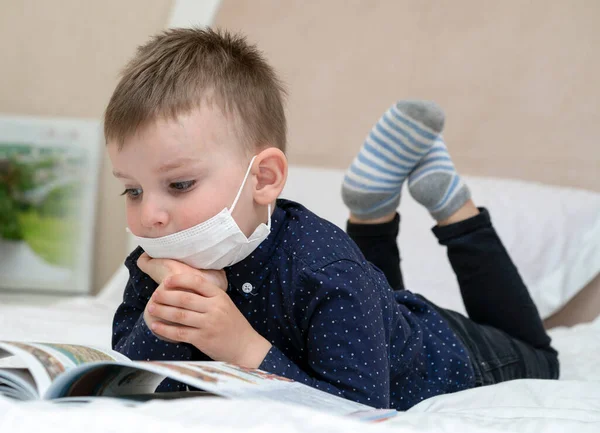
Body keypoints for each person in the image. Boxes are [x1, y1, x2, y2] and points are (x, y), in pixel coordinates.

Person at [106, 27, 558, 411]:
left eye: (180, 185)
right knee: (382, 301)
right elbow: (132, 384)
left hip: (456, 354)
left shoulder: (326, 270)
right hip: (382, 317)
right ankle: (373, 210)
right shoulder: (158, 264)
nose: (150, 216)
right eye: (133, 189)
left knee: (541, 355)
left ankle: (454, 205)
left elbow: (360, 408)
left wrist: (242, 347)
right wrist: (158, 323)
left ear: (263, 178)